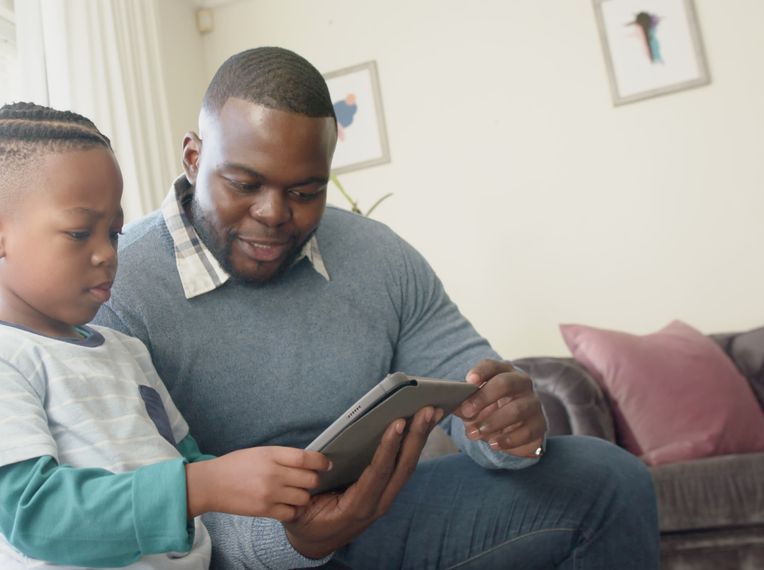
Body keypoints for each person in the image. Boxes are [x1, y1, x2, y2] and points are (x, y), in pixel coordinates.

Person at [94, 47, 661, 568]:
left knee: (607, 478)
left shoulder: (377, 256)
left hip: (373, 518)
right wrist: (292, 540)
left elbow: (474, 397)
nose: (272, 214)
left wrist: (511, 431)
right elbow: (132, 505)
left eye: (304, 192)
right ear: (194, 157)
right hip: (226, 551)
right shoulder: (116, 287)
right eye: (244, 184)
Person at [0, 102, 345, 569]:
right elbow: (37, 517)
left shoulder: (126, 352)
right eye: (78, 233)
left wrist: (269, 483)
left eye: (113, 232)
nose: (107, 254)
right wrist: (204, 485)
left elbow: (185, 462)